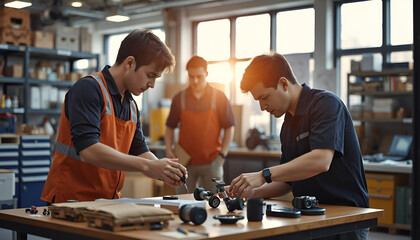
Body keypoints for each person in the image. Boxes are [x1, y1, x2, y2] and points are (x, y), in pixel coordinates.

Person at [228, 52, 369, 240]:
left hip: (345, 217)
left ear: (284, 84)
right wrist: (247, 191)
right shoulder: (287, 125)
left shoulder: (326, 104)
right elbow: (286, 182)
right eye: (258, 101)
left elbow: (321, 161)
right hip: (310, 216)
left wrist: (263, 175)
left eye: (265, 97)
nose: (262, 107)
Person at [41, 29, 187, 204]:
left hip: (106, 202)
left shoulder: (131, 105)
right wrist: (150, 166)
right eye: (150, 75)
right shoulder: (88, 89)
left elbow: (140, 151)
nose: (152, 85)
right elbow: (89, 150)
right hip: (71, 201)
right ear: (130, 63)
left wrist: (164, 170)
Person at [165, 56, 236, 193]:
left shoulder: (219, 97)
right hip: (184, 163)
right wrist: (168, 148)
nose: (195, 81)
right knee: (183, 202)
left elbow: (229, 127)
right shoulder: (179, 98)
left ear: (207, 74)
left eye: (199, 76)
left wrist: (223, 154)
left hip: (212, 161)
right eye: (191, 77)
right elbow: (170, 126)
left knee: (214, 201)